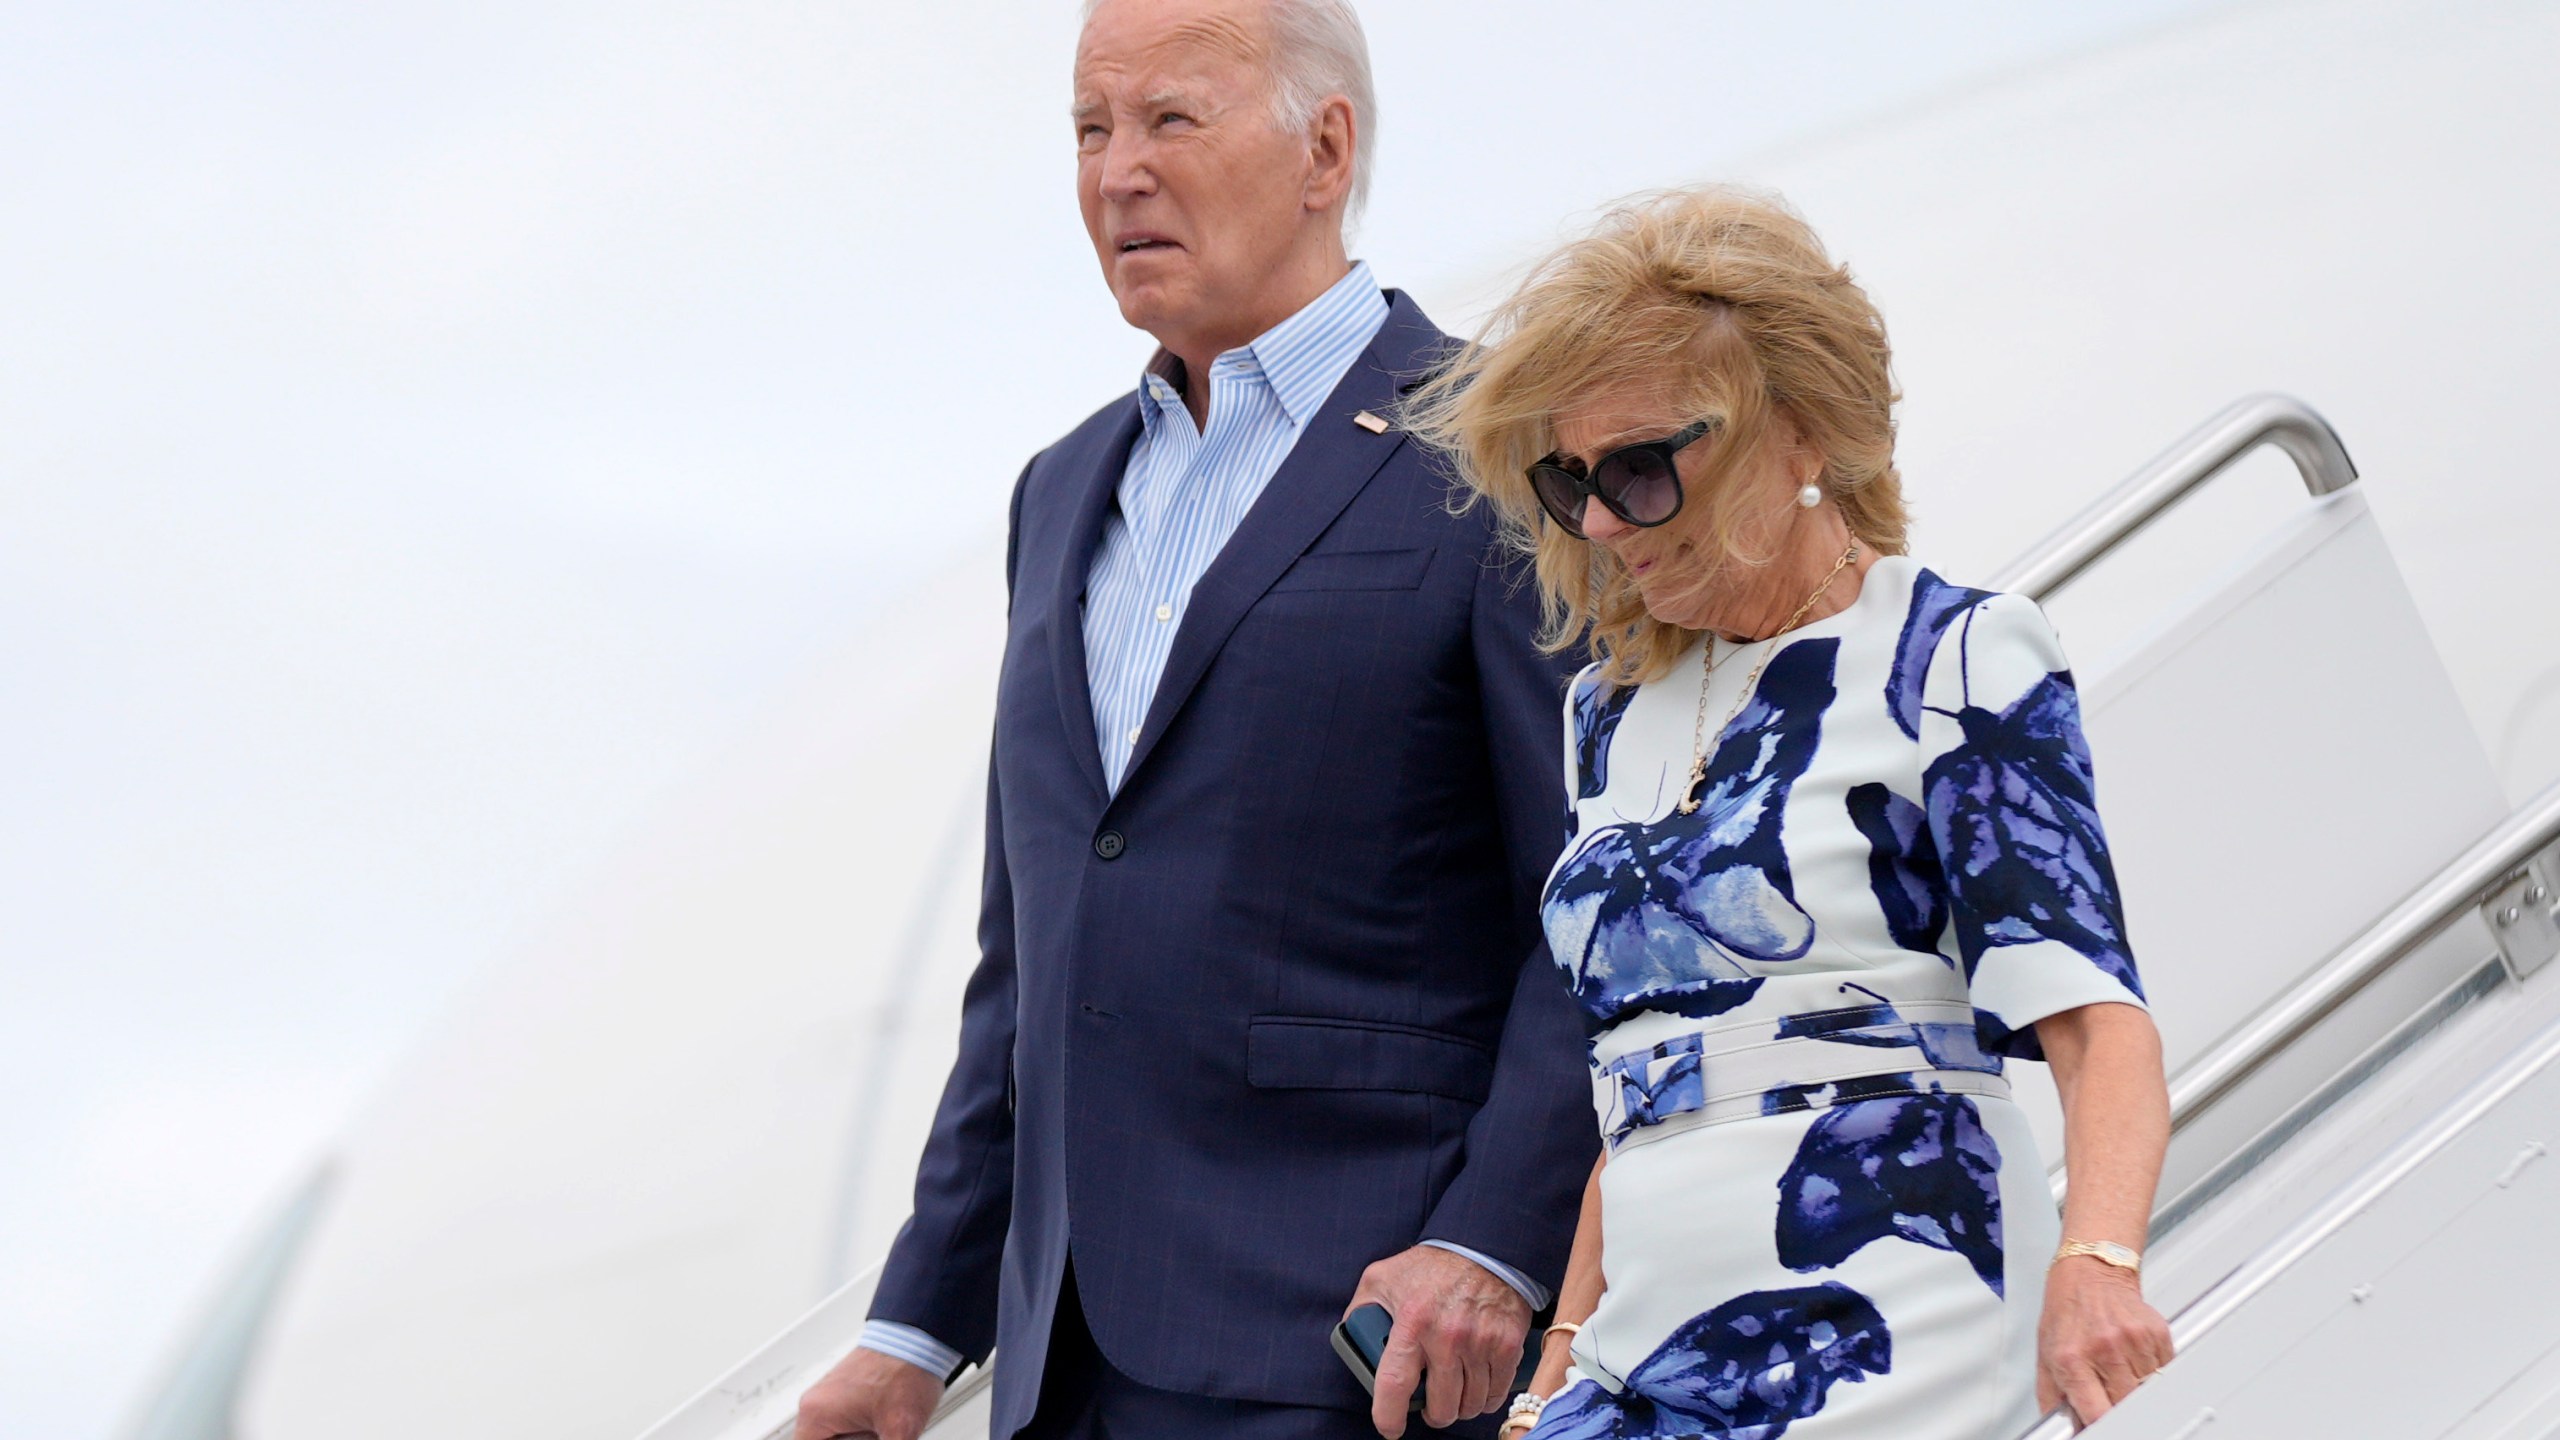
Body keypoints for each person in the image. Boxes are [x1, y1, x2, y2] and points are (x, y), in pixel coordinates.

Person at [793, 2, 1596, 1438]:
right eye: (1091, 131)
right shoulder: (1062, 489)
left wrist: (1491, 1246)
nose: (1118, 175)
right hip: (1066, 1368)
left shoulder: (1499, 444)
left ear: (1324, 149)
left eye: (1171, 119)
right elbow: (1032, 956)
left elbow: (1596, 901)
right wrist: (917, 1328)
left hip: (1361, 1352)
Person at [1400, 187, 2177, 1440]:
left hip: (1894, 1308)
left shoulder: (1950, 652)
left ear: (1802, 435)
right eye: (1570, 478)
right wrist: (1553, 1374)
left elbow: (2095, 1021)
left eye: (1643, 468)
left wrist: (2099, 1261)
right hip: (1641, 1346)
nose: (1600, 521)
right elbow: (1641, 1087)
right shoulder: (1605, 711)